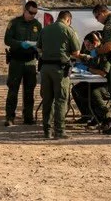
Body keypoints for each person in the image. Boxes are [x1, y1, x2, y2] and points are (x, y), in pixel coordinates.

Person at [37, 10, 80, 139]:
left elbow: (39, 48)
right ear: (68, 20)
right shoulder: (68, 30)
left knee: (47, 100)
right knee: (60, 100)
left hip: (45, 68)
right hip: (60, 70)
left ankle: (47, 131)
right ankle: (59, 131)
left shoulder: (45, 30)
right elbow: (76, 52)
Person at [4, 1, 42, 126]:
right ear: (25, 10)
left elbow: (40, 41)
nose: (32, 15)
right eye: (31, 12)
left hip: (31, 61)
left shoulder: (37, 25)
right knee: (13, 90)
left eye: (35, 13)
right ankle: (10, 117)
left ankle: (28, 117)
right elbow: (7, 40)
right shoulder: (14, 23)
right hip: (16, 61)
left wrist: (35, 45)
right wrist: (20, 43)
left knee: (29, 91)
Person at [92, 4, 111, 135]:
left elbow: (109, 46)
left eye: (97, 16)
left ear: (102, 13)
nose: (97, 20)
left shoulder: (110, 24)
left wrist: (97, 51)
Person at [72, 31, 111, 129]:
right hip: (97, 82)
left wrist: (88, 69)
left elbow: (103, 73)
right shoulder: (93, 53)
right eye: (85, 45)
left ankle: (107, 119)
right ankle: (90, 115)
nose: (86, 48)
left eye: (88, 45)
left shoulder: (104, 53)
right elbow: (90, 63)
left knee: (94, 93)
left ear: (95, 43)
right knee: (77, 89)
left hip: (108, 85)